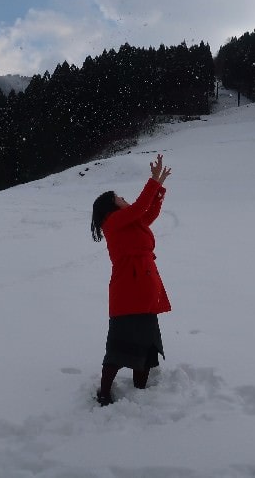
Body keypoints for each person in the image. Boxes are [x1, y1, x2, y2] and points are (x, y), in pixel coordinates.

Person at [90, 154, 173, 406]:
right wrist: (153, 181)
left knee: (147, 344)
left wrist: (158, 189)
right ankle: (104, 393)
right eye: (120, 198)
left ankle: (140, 391)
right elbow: (139, 208)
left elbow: (147, 214)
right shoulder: (113, 222)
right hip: (128, 290)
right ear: (112, 207)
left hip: (145, 286)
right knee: (119, 345)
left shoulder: (130, 223)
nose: (125, 200)